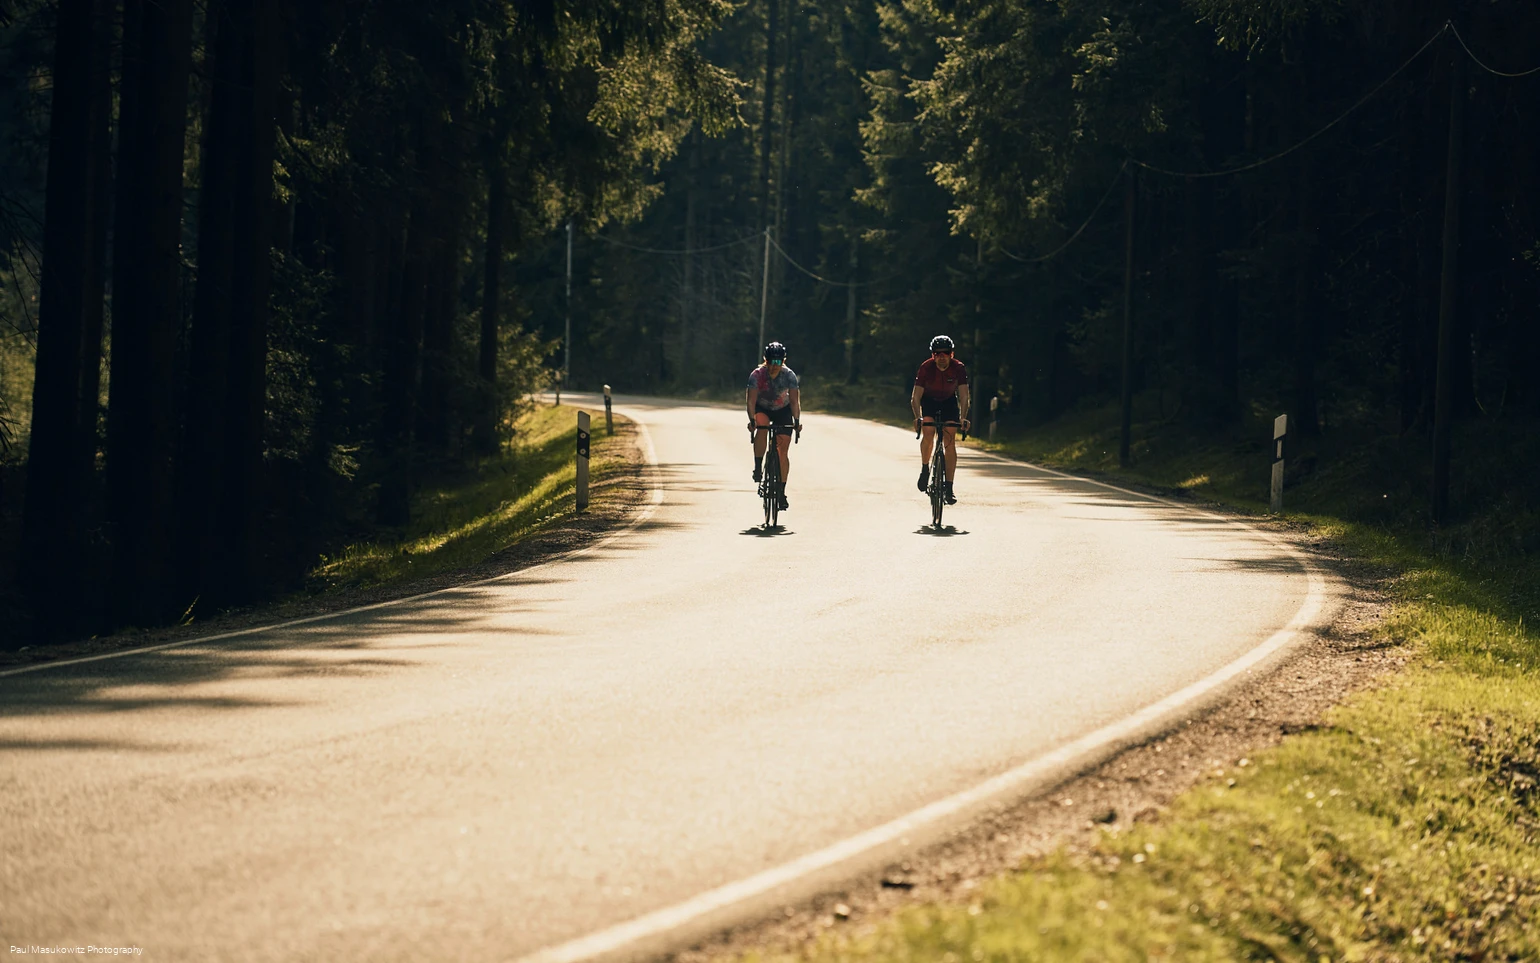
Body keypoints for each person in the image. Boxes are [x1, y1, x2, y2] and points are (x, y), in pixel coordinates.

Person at [911, 334, 970, 505]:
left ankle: (949, 487)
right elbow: (915, 397)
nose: (942, 357)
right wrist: (918, 417)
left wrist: (964, 417)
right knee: (928, 431)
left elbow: (965, 396)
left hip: (949, 403)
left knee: (949, 439)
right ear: (933, 355)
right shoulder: (926, 368)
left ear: (952, 354)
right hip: (929, 402)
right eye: (937, 353)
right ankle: (924, 469)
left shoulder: (958, 368)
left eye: (946, 353)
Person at [746, 341, 801, 511]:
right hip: (762, 408)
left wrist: (797, 421)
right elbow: (751, 401)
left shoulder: (789, 376)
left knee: (782, 450)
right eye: (770, 361)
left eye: (777, 362)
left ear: (783, 361)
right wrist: (752, 420)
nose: (773, 366)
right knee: (762, 427)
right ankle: (758, 467)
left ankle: (781, 493)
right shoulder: (756, 375)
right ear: (766, 360)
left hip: (782, 410)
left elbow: (794, 401)